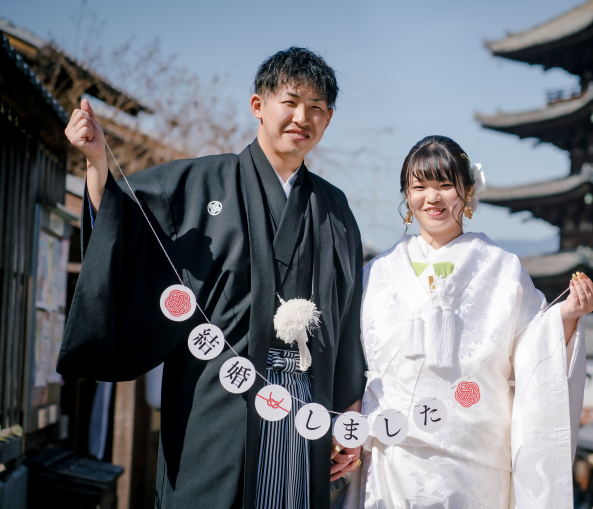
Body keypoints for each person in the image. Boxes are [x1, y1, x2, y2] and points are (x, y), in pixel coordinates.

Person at [58, 47, 366, 508]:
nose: (303, 116)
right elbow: (125, 227)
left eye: (317, 108)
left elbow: (346, 321)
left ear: (328, 119)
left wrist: (349, 421)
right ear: (258, 106)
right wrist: (97, 164)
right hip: (217, 403)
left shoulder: (334, 208)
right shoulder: (200, 183)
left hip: (307, 414)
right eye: (291, 101)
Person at [343, 136, 592, 508]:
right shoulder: (376, 272)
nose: (433, 197)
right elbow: (352, 355)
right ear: (406, 196)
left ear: (468, 191)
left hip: (473, 454)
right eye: (419, 186)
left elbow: (533, 344)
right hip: (393, 450)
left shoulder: (502, 269)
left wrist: (566, 316)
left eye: (445, 185)